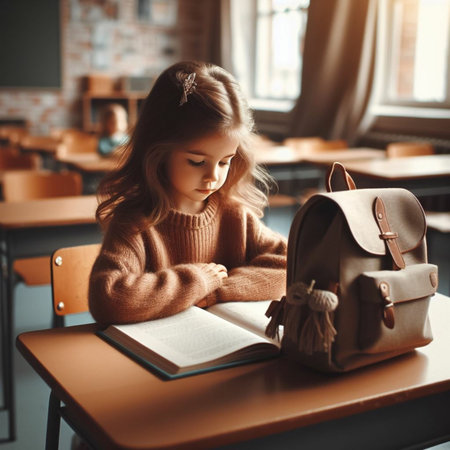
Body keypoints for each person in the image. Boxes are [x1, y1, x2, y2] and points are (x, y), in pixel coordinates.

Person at [88, 60, 287, 326]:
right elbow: (109, 298)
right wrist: (198, 279)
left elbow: (289, 265)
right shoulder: (135, 223)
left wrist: (217, 289)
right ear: (159, 152)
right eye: (196, 161)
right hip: (157, 358)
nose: (213, 176)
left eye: (225, 161)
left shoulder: (235, 216)